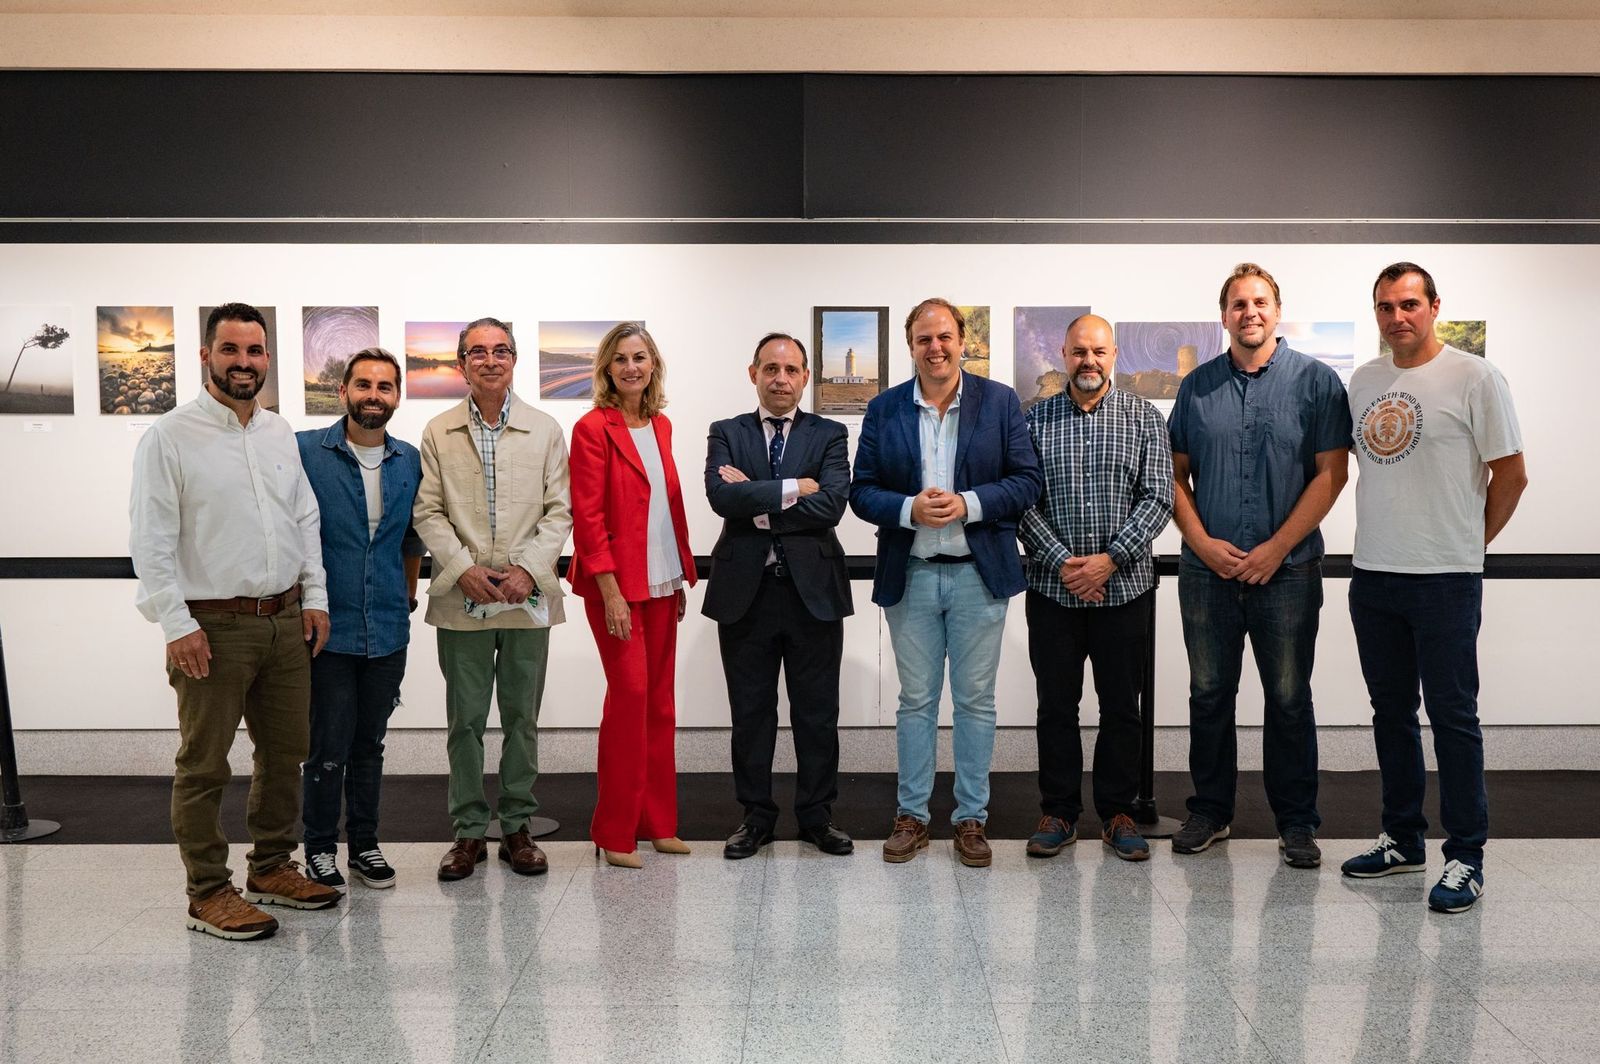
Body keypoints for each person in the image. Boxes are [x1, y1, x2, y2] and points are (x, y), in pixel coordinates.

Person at [130, 301, 339, 940]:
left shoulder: (278, 432)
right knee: (204, 764)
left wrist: (315, 597)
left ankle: (271, 867)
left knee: (285, 754)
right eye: (230, 350)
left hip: (284, 622)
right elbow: (150, 539)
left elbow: (304, 519)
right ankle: (207, 892)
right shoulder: (170, 436)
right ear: (205, 356)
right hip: (211, 628)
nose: (243, 362)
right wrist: (176, 624)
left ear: (267, 358)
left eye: (253, 351)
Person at [1340, 262, 1527, 913]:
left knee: (1452, 716)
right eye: (1386, 306)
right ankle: (1402, 839)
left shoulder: (1475, 376)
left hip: (1445, 579)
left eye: (1409, 304)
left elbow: (1512, 474)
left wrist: (1471, 544)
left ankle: (1466, 856)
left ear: (1434, 307)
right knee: (1390, 714)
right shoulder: (1364, 381)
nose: (1398, 317)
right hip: (1374, 575)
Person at [1168, 263, 1351, 868]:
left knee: (1290, 698)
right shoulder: (1196, 388)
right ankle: (1210, 811)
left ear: (1277, 310)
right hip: (1208, 573)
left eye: (1260, 302)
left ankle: (1296, 823)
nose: (1250, 312)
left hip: (1289, 572)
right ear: (1224, 316)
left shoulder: (1317, 382)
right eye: (1239, 304)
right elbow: (1175, 476)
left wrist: (1277, 548)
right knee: (1208, 694)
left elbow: (1331, 474)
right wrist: (1202, 543)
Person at [850, 298, 1042, 868]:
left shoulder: (999, 402)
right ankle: (911, 816)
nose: (935, 348)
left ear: (963, 342)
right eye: (924, 339)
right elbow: (862, 490)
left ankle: (970, 819)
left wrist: (971, 503)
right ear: (910, 346)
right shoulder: (884, 408)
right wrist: (908, 508)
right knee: (915, 701)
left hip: (978, 577)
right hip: (910, 575)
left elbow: (1026, 480)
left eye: (944, 337)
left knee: (976, 702)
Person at [413, 317, 571, 881]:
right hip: (464, 599)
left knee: (522, 718)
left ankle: (518, 826)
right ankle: (468, 831)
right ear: (461, 364)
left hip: (527, 599)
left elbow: (560, 510)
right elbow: (428, 511)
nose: (489, 360)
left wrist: (529, 570)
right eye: (477, 352)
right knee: (466, 721)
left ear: (514, 360)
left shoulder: (545, 429)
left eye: (500, 350)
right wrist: (463, 570)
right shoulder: (439, 431)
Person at [1018, 314, 1173, 862]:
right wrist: (1064, 563)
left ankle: (1117, 813)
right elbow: (1020, 500)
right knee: (1055, 707)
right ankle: (1059, 813)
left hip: (1125, 589)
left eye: (1099, 351)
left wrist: (1108, 561)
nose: (1089, 360)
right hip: (1052, 590)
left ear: (1114, 355)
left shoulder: (1144, 418)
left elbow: (1159, 497)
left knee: (1122, 708)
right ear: (1064, 354)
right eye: (1079, 351)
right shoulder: (1033, 421)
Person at [704, 332, 854, 859]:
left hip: (813, 593)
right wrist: (795, 488)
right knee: (751, 714)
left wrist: (758, 501)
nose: (781, 379)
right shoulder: (726, 431)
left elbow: (832, 506)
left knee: (818, 713)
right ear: (754, 374)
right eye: (771, 369)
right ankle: (756, 818)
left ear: (805, 377)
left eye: (791, 370)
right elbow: (722, 498)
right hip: (746, 594)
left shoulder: (830, 434)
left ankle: (817, 816)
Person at [568, 322, 697, 869]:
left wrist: (678, 573)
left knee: (660, 705)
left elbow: (666, 505)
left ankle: (658, 823)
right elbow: (587, 515)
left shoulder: (661, 425)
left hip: (661, 581)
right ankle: (614, 830)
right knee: (629, 700)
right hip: (616, 586)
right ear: (606, 368)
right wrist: (609, 589)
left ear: (653, 365)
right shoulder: (592, 428)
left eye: (639, 357)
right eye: (620, 359)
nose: (630, 367)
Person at [295, 347, 424, 891]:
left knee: (370, 745)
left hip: (388, 629)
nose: (374, 395)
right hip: (327, 628)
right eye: (364, 385)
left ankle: (365, 845)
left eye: (384, 386)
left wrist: (406, 596)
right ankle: (319, 848)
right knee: (327, 746)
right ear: (343, 391)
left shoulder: (409, 460)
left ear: (397, 396)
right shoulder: (306, 451)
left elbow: (413, 538)